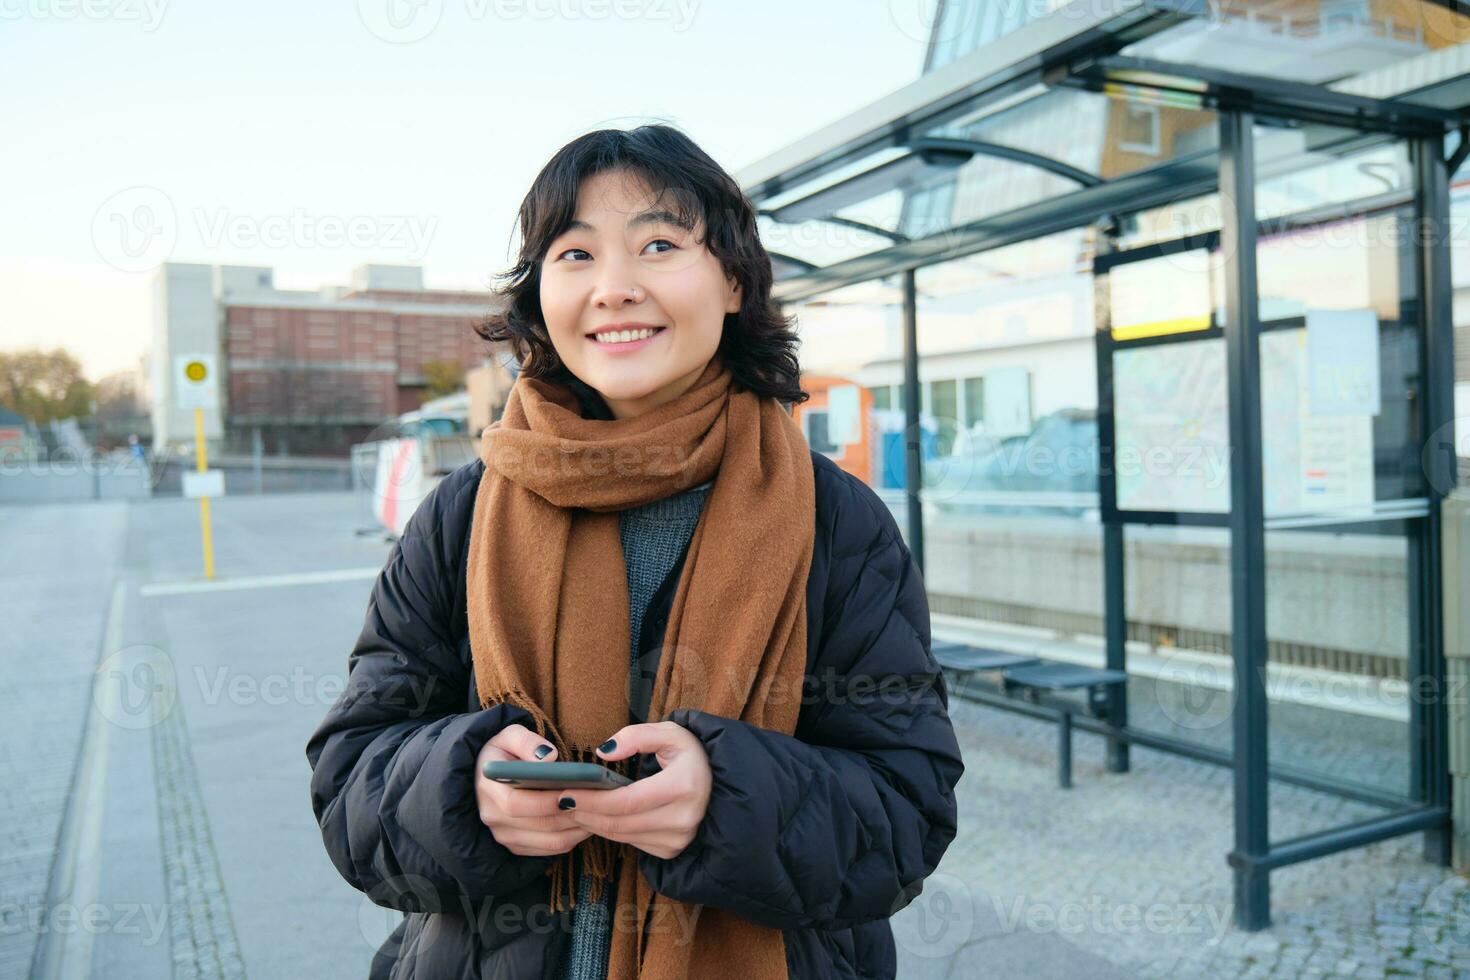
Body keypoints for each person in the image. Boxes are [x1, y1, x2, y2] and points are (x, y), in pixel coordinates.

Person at [305, 123, 965, 979]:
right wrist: (463, 789)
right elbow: (350, 778)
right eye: (574, 255)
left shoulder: (837, 521)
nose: (614, 288)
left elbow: (907, 810)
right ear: (539, 292)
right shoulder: (460, 515)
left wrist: (727, 800)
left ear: (732, 281)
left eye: (658, 244)